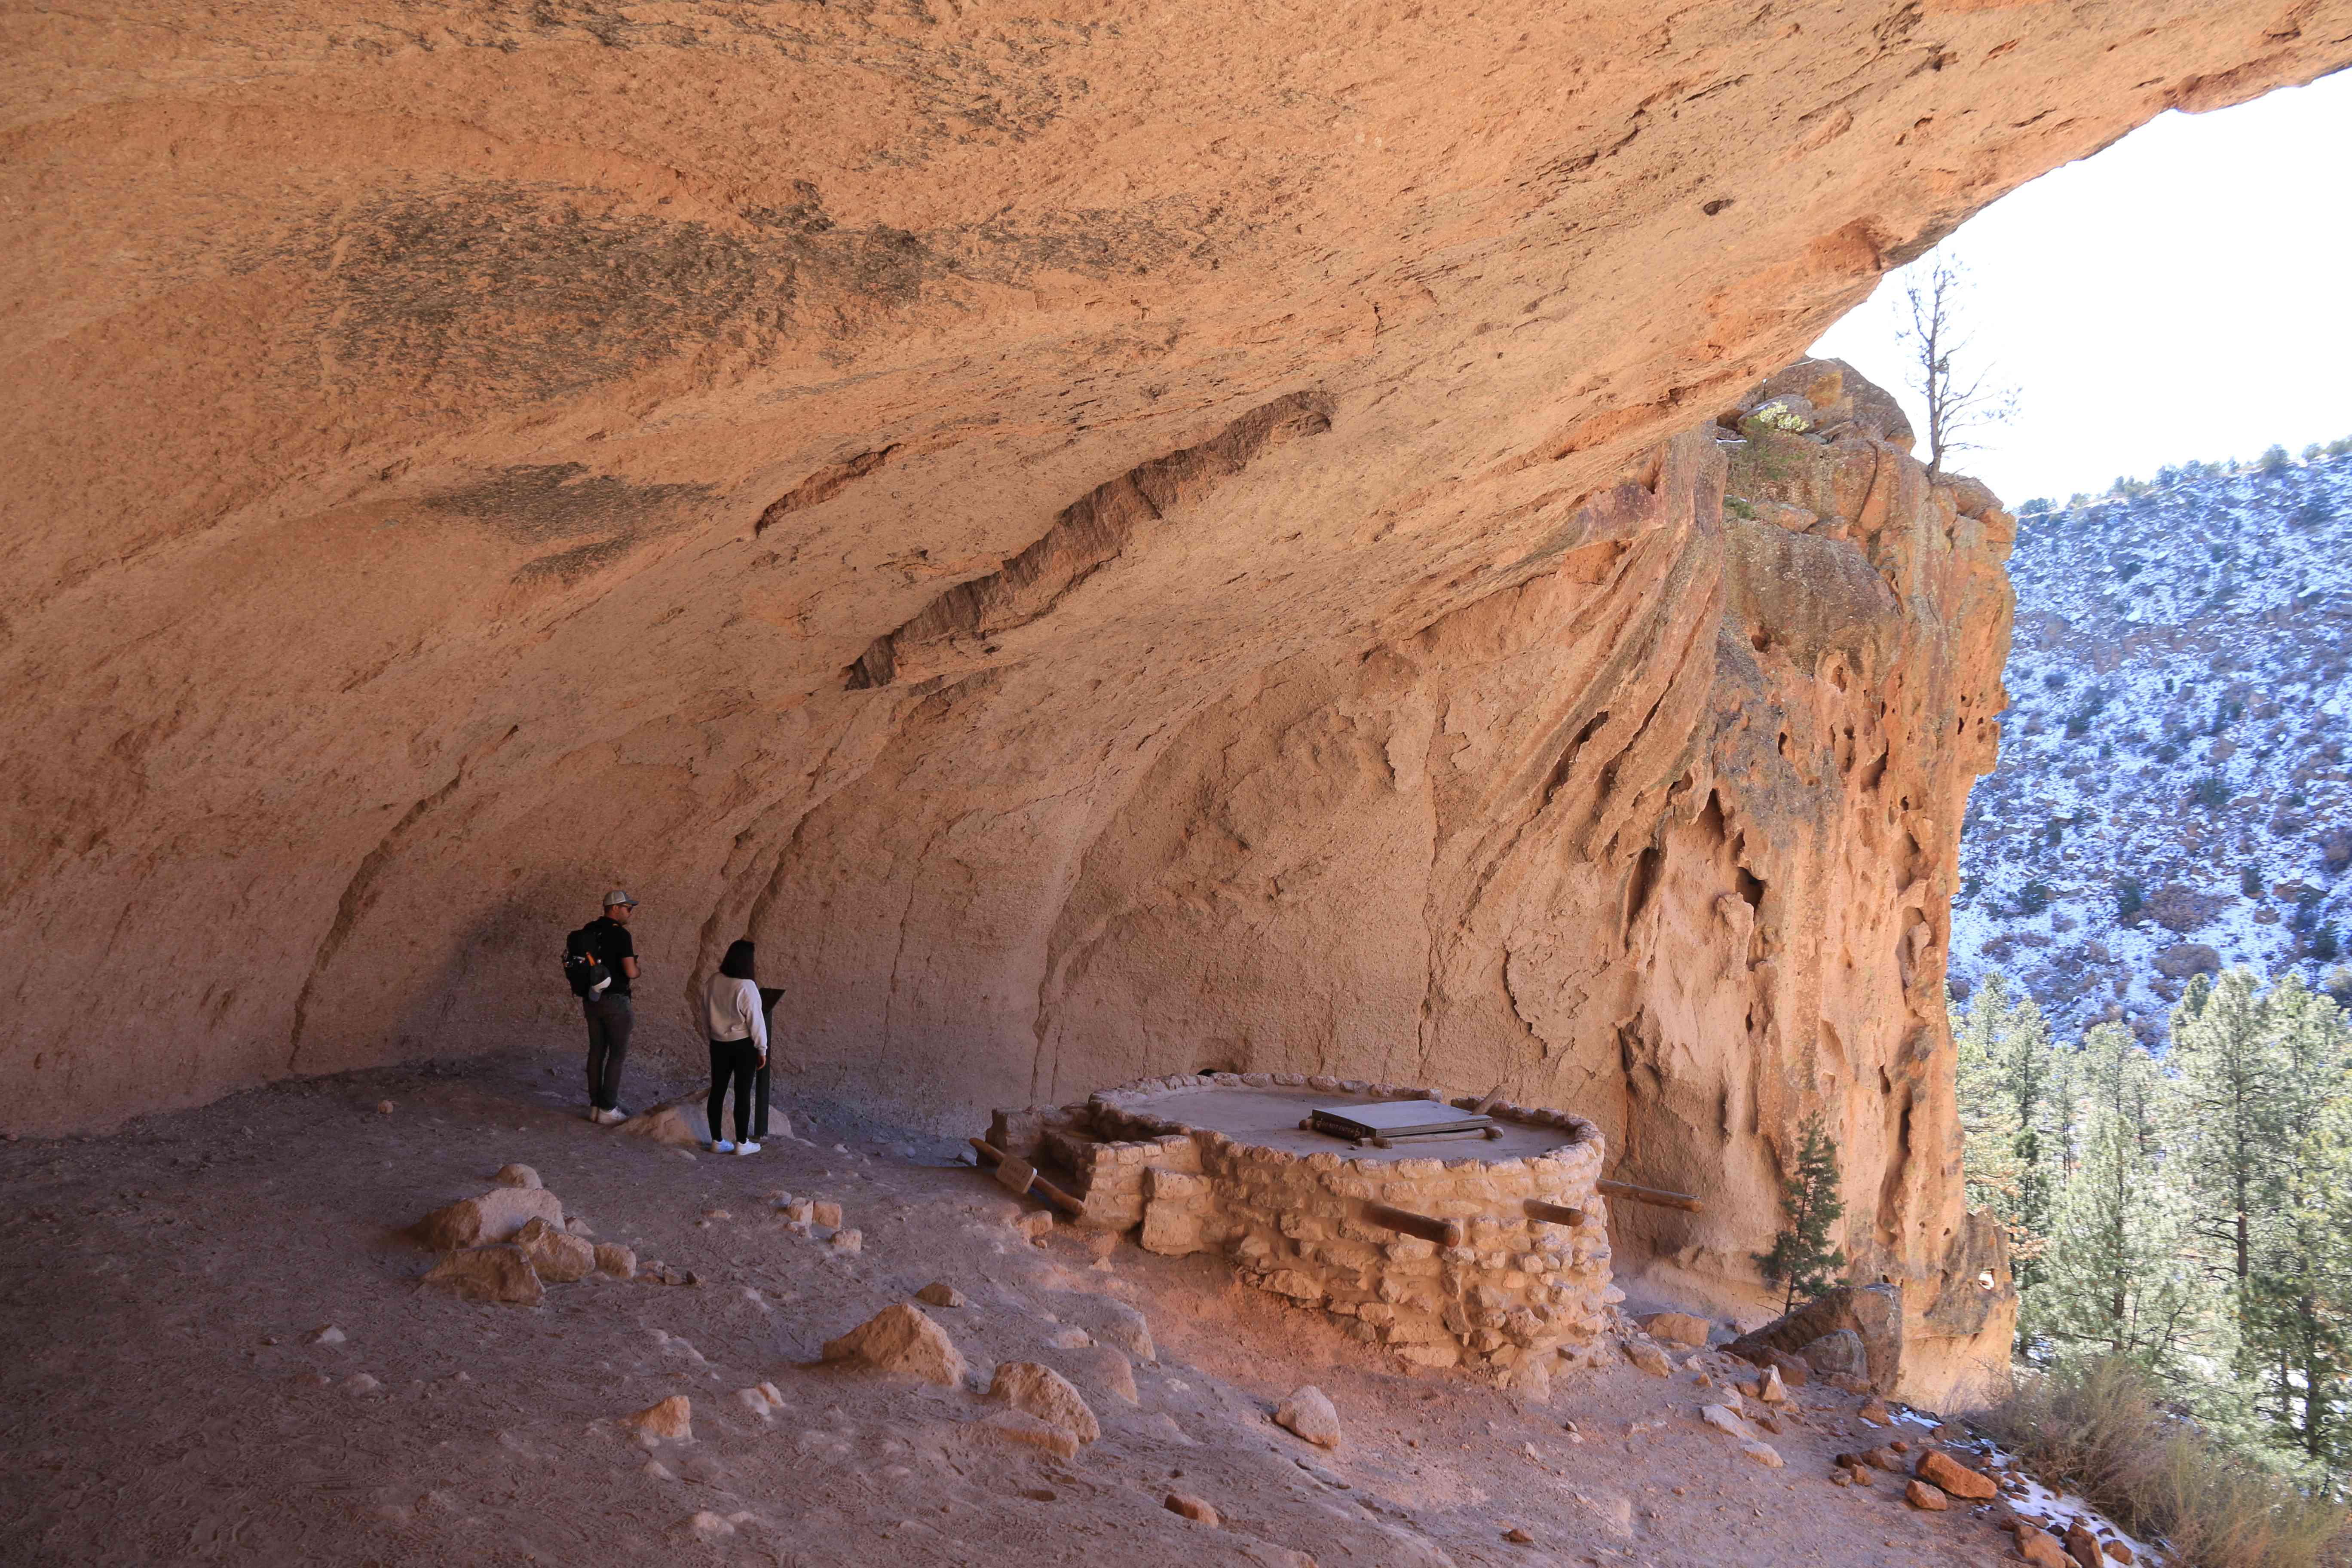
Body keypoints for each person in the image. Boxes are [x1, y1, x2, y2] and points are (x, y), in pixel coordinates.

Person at [702, 939, 768, 1155]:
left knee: (717, 1090)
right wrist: (762, 1049)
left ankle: (716, 1140)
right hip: (743, 1046)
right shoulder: (746, 986)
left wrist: (713, 1034)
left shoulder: (714, 980)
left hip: (718, 1044)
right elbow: (756, 1021)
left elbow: (705, 1012)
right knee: (742, 1093)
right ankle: (742, 1143)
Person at [581, 891, 640, 1125]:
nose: (630, 913)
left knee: (596, 1051)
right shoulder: (621, 935)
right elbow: (631, 972)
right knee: (617, 1054)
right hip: (615, 1000)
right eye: (628, 908)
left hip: (592, 999)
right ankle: (608, 1108)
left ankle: (595, 1106)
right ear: (615, 908)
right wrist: (638, 970)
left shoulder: (589, 930)